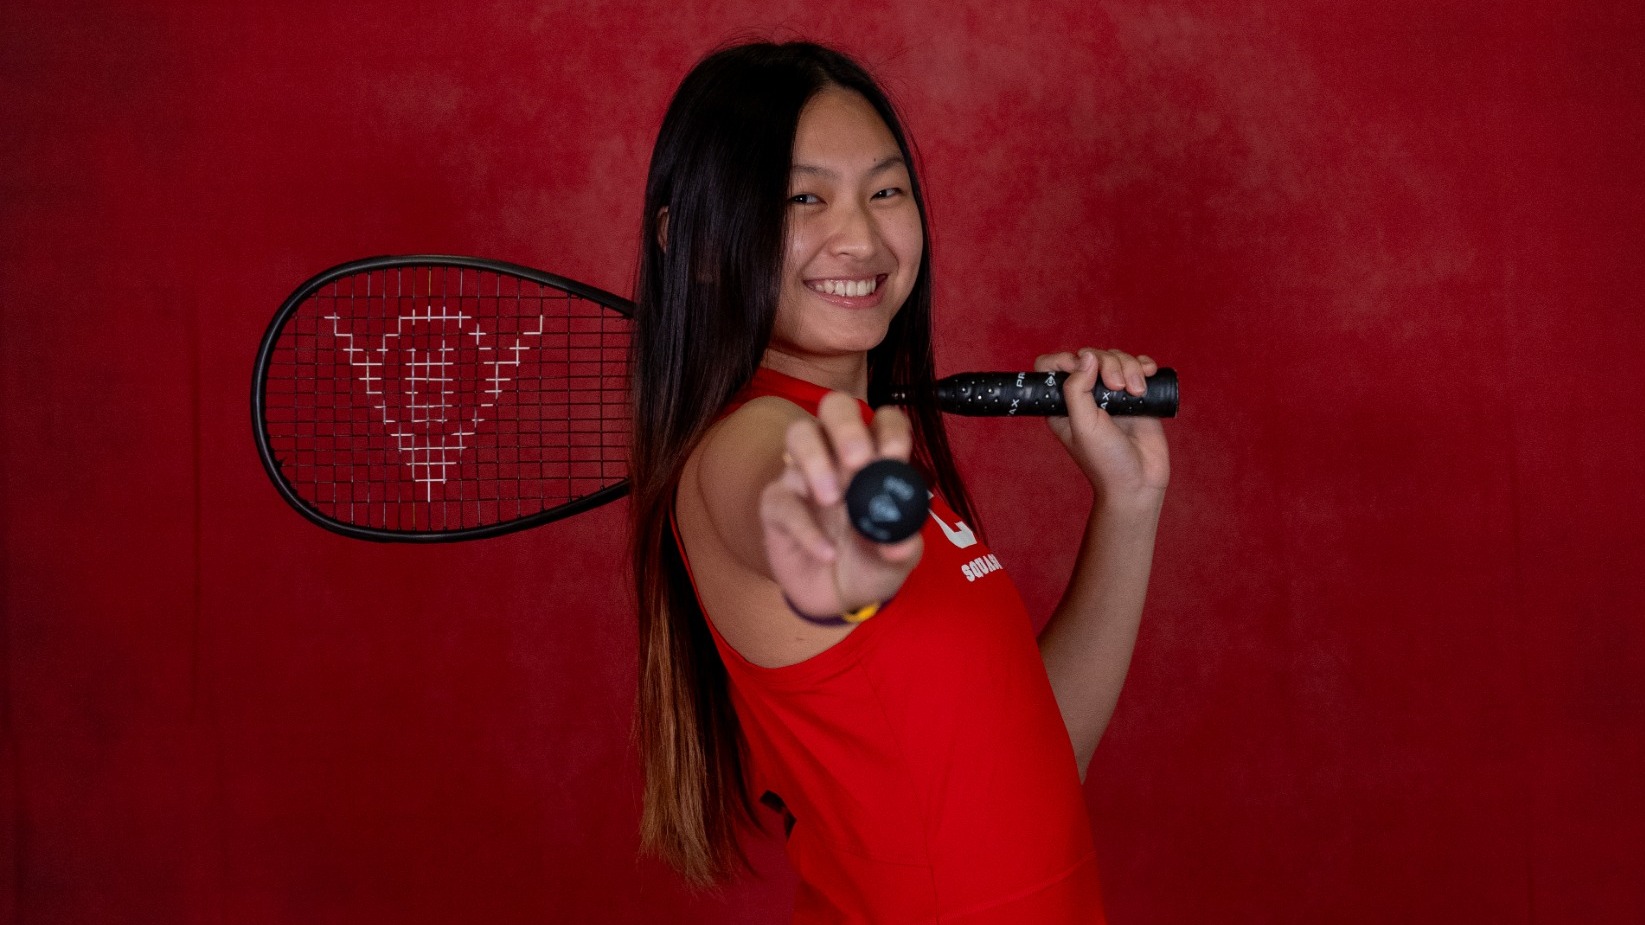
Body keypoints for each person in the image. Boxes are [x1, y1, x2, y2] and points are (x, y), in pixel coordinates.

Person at [627, 40, 1169, 923]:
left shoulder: (891, 452)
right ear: (689, 243)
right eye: (803, 197)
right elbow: (782, 490)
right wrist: (835, 544)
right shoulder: (747, 441)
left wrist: (1129, 503)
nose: (863, 237)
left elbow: (1035, 761)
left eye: (885, 190)